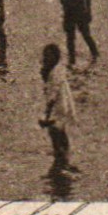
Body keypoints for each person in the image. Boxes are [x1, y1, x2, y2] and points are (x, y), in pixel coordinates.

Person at [38, 43, 77, 174]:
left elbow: (52, 96)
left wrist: (46, 116)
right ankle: (65, 157)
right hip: (64, 105)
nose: (47, 58)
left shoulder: (53, 73)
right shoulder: (58, 70)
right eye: (45, 56)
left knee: (54, 132)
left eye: (49, 56)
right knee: (60, 131)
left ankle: (60, 159)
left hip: (58, 107)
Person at [57, 0, 99, 64]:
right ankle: (72, 58)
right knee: (70, 37)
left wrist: (88, 11)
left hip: (80, 13)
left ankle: (95, 53)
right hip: (69, 13)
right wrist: (64, 4)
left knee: (86, 34)